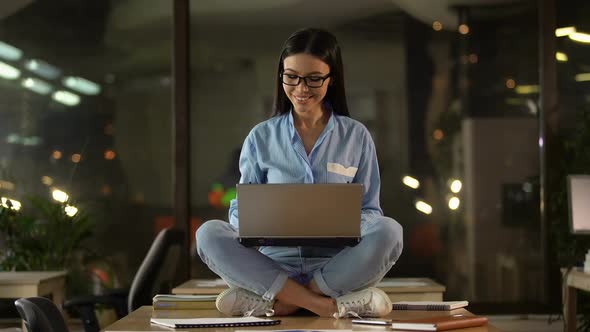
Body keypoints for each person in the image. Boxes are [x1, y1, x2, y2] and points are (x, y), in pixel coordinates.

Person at [196, 28, 403, 319]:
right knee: (208, 234)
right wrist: (256, 225)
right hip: (273, 265)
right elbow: (239, 211)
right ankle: (326, 305)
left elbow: (371, 210)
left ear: (331, 80)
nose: (301, 88)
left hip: (336, 265)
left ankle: (283, 303)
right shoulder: (260, 137)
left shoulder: (356, 136)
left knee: (390, 231)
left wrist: (340, 222)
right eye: (291, 76)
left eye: (313, 79)